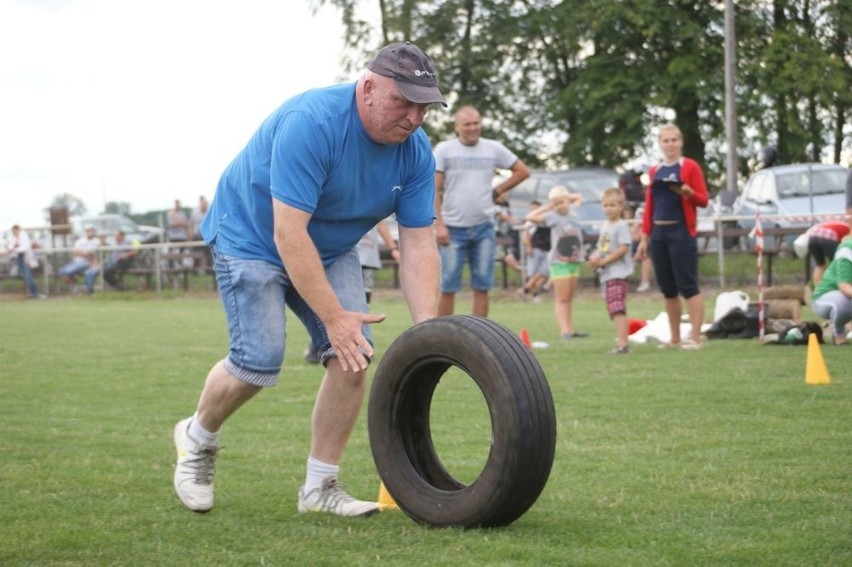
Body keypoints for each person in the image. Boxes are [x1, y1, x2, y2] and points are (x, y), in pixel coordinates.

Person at [172, 41, 445, 518]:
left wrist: (427, 327)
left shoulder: (415, 152)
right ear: (367, 89)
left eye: (424, 106)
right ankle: (197, 438)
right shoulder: (312, 123)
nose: (414, 117)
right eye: (403, 101)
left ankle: (319, 488)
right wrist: (335, 317)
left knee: (353, 357)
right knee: (257, 359)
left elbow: (419, 243)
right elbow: (288, 232)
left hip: (330, 245)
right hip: (252, 237)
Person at [433, 105, 530, 317]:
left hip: (484, 226)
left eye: (476, 123)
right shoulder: (444, 150)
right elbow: (434, 189)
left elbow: (522, 171)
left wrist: (497, 191)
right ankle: (442, 333)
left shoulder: (493, 148)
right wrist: (438, 225)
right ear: (457, 126)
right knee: (448, 284)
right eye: (467, 124)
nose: (472, 128)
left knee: (483, 283)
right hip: (452, 228)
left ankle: (479, 335)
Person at [635, 123, 710, 350]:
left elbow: (704, 200)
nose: (670, 144)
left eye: (673, 140)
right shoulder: (654, 171)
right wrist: (644, 237)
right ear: (659, 144)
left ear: (681, 142)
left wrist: (687, 191)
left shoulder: (690, 167)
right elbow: (650, 206)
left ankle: (695, 337)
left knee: (688, 286)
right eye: (665, 141)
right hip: (658, 233)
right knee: (667, 289)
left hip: (681, 231)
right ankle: (675, 337)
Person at [304, 219, 399, 365]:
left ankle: (356, 345)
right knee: (339, 305)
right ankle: (321, 344)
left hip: (367, 257)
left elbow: (380, 223)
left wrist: (392, 248)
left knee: (362, 304)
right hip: (345, 253)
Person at [525, 186, 588, 340]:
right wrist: (548, 206)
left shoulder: (573, 212)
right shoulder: (552, 216)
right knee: (562, 298)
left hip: (574, 261)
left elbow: (579, 196)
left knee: (569, 297)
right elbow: (530, 216)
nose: (560, 206)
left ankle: (570, 329)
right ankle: (564, 330)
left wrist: (567, 197)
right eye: (556, 204)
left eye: (562, 202)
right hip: (559, 262)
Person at [587, 188, 634, 354]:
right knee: (613, 309)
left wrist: (604, 261)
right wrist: (595, 257)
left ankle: (623, 344)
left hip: (618, 273)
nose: (608, 208)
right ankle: (621, 341)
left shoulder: (621, 226)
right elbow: (602, 247)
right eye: (605, 205)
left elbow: (623, 248)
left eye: (612, 205)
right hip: (607, 274)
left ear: (621, 206)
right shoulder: (605, 226)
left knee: (617, 308)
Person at [811, 235, 851, 346]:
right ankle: (838, 332)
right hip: (825, 298)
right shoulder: (847, 250)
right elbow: (844, 286)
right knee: (844, 301)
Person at [517, 200, 550, 302]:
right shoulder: (530, 223)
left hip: (546, 249)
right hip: (535, 248)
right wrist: (529, 247)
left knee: (543, 273)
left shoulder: (545, 220)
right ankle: (534, 295)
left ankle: (525, 290)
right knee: (534, 273)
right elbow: (525, 235)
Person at [805, 220, 850, 285]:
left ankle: (817, 288)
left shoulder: (839, 224)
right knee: (837, 263)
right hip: (828, 236)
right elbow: (846, 243)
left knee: (820, 265)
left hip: (812, 236)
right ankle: (839, 286)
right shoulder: (848, 228)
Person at [7, 224, 42, 298]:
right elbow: (11, 246)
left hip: (26, 257)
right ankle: (31, 293)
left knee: (28, 276)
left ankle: (34, 293)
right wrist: (11, 249)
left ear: (17, 229)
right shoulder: (14, 237)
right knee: (26, 276)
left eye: (14, 231)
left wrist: (14, 249)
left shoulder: (23, 235)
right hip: (19, 257)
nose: (13, 233)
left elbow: (25, 248)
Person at [626, 205, 652, 291]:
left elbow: (638, 237)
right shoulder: (634, 225)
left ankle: (645, 282)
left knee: (645, 256)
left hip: (645, 249)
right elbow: (634, 237)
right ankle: (622, 282)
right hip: (631, 250)